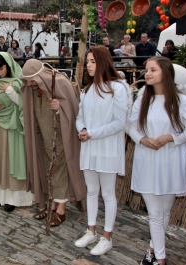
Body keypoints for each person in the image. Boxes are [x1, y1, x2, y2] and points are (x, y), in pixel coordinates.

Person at [129, 56, 186, 265]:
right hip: (147, 160)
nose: (147, 74)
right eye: (146, 70)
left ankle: (152, 249)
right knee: (155, 213)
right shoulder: (143, 99)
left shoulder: (181, 101)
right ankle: (160, 259)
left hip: (170, 161)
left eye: (153, 70)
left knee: (164, 211)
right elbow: (131, 127)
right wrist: (143, 139)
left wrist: (170, 137)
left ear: (165, 74)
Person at [74, 46, 131, 255]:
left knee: (107, 193)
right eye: (87, 61)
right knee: (91, 190)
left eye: (92, 61)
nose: (88, 65)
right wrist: (81, 129)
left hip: (107, 147)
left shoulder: (118, 88)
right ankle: (91, 231)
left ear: (103, 62)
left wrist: (92, 133)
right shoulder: (87, 90)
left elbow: (119, 122)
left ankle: (107, 237)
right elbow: (79, 117)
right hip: (89, 147)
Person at [20, 59, 86, 226]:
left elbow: (74, 111)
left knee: (59, 170)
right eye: (26, 80)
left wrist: (60, 108)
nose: (28, 84)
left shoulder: (61, 83)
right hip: (44, 138)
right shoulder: (33, 88)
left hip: (61, 139)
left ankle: (61, 209)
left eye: (32, 80)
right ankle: (51, 205)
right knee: (48, 170)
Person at [0, 52, 33, 212]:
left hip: (15, 125)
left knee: (13, 159)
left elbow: (25, 105)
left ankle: (13, 198)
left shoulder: (20, 82)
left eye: (1, 68)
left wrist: (10, 91)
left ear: (8, 66)